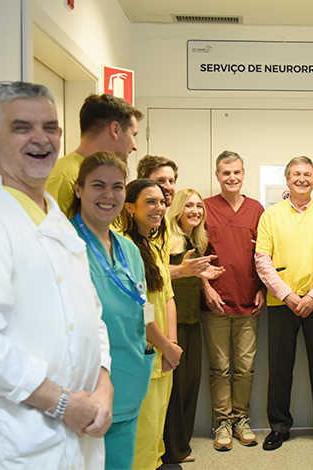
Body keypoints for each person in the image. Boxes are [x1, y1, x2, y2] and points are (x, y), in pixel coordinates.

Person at [0, 81, 112, 469]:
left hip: (82, 431)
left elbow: (92, 316)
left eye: (50, 127)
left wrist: (104, 386)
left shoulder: (58, 218)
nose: (41, 139)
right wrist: (60, 403)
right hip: (21, 439)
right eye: (22, 127)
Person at [255, 156, 313, 451]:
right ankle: (278, 427)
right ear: (287, 179)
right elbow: (262, 260)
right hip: (280, 303)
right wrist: (288, 295)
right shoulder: (270, 216)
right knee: (279, 368)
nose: (302, 179)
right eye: (296, 174)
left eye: (307, 174)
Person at [68, 152, 153, 470]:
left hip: (128, 383)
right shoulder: (65, 245)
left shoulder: (129, 249)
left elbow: (141, 308)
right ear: (79, 189)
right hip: (84, 392)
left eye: (117, 187)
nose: (108, 195)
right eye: (98, 185)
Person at [201, 150, 265, 451]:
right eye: (226, 173)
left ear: (243, 174)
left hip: (248, 301)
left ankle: (241, 420)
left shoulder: (256, 209)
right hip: (215, 302)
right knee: (220, 368)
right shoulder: (204, 208)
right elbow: (194, 253)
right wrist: (205, 288)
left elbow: (265, 254)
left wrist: (263, 289)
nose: (232, 177)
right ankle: (223, 423)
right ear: (217, 175)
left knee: (245, 368)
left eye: (236, 172)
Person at [121, 179, 183, 470]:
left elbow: (167, 297)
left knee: (156, 431)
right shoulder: (124, 248)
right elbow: (138, 308)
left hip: (163, 355)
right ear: (130, 207)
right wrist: (165, 345)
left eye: (161, 202)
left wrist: (172, 345)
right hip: (143, 353)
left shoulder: (154, 246)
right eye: (150, 202)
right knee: (142, 435)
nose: (159, 208)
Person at [162, 188, 224, 463]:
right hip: (171, 323)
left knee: (189, 384)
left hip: (192, 319)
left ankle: (181, 445)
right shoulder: (165, 238)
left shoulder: (195, 241)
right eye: (189, 206)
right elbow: (157, 275)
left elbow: (190, 275)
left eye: (199, 206)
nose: (195, 211)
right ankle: (171, 450)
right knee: (174, 389)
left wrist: (205, 277)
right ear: (177, 209)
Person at [46, 93, 142, 214]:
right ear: (115, 130)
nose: (135, 146)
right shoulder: (63, 177)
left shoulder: (110, 176)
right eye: (133, 135)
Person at [137, 154, 215, 282]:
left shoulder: (163, 225)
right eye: (160, 181)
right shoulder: (129, 225)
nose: (168, 187)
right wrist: (180, 270)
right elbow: (141, 273)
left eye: (171, 181)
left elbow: (160, 271)